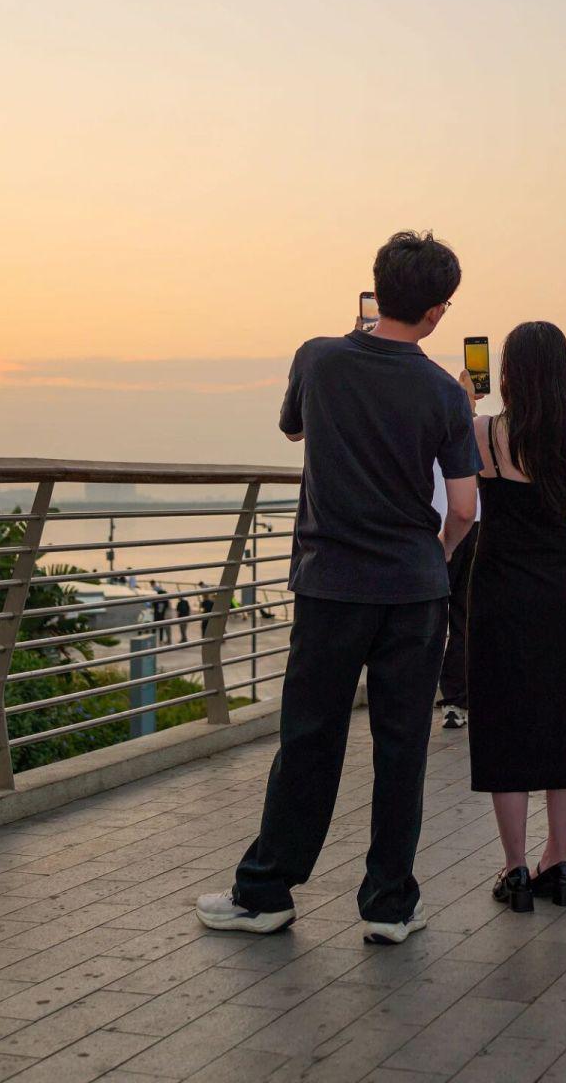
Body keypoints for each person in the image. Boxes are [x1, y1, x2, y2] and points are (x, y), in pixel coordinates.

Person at [195, 230, 480, 942]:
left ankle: (267, 893)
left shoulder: (318, 359)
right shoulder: (446, 393)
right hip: (414, 590)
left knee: (309, 739)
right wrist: (438, 558)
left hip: (331, 585)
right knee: (401, 748)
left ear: (376, 292)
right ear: (437, 311)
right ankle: (389, 905)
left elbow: (294, 432)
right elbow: (465, 508)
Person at [466, 321, 566, 913]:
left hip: (498, 593)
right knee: (562, 721)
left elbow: (463, 496)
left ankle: (516, 869)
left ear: (509, 373)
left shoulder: (487, 433)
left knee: (504, 723)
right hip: (558, 593)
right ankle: (558, 863)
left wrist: (464, 403)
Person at [432, 460, 480, 730]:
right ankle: (456, 701)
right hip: (472, 517)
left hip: (430, 520)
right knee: (463, 616)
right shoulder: (471, 436)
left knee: (426, 617)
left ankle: (417, 695)